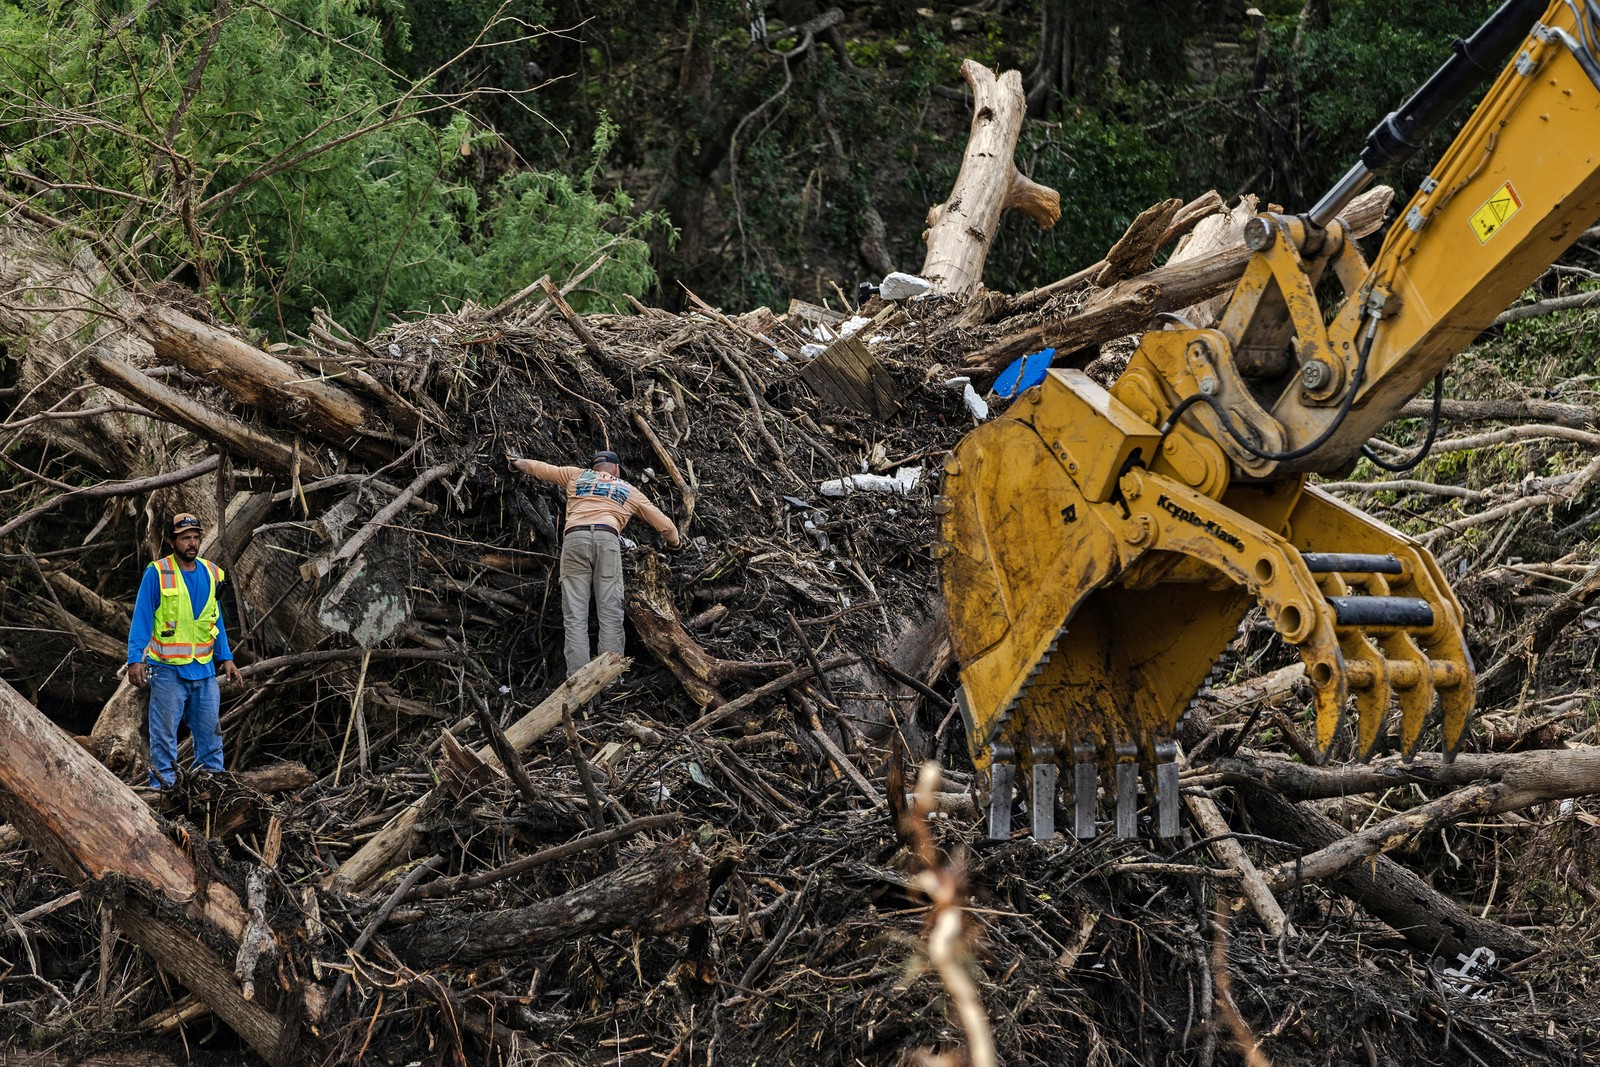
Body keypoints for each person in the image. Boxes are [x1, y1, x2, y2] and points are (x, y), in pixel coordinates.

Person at [508, 449, 682, 677]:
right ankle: (608, 679)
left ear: (593, 468)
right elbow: (667, 527)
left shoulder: (576, 475)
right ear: (617, 469)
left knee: (575, 615)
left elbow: (541, 469)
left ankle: (578, 681)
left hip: (574, 539)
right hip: (607, 539)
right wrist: (675, 544)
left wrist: (516, 462)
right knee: (610, 613)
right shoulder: (629, 490)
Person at [126, 513, 245, 787]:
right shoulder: (157, 572)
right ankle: (164, 792)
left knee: (211, 737)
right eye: (185, 538)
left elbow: (215, 620)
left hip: (203, 671)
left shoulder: (213, 572)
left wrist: (226, 657)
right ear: (171, 541)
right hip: (167, 671)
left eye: (195, 537)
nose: (191, 543)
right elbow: (142, 617)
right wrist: (135, 660)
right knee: (164, 738)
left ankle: (211, 789)